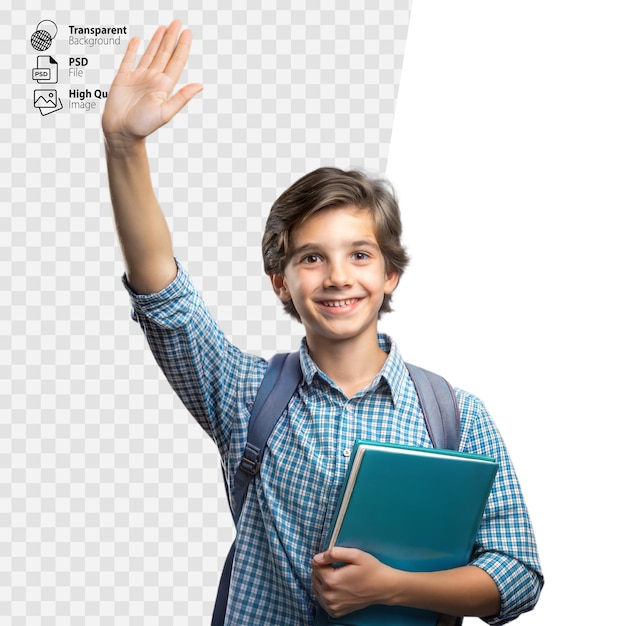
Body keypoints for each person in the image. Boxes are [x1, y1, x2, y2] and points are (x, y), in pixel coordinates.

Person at [103, 20, 543, 626]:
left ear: (391, 275)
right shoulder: (245, 396)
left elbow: (517, 575)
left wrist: (393, 586)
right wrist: (125, 148)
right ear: (281, 281)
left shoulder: (456, 415)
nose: (338, 276)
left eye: (360, 255)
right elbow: (163, 294)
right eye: (313, 257)